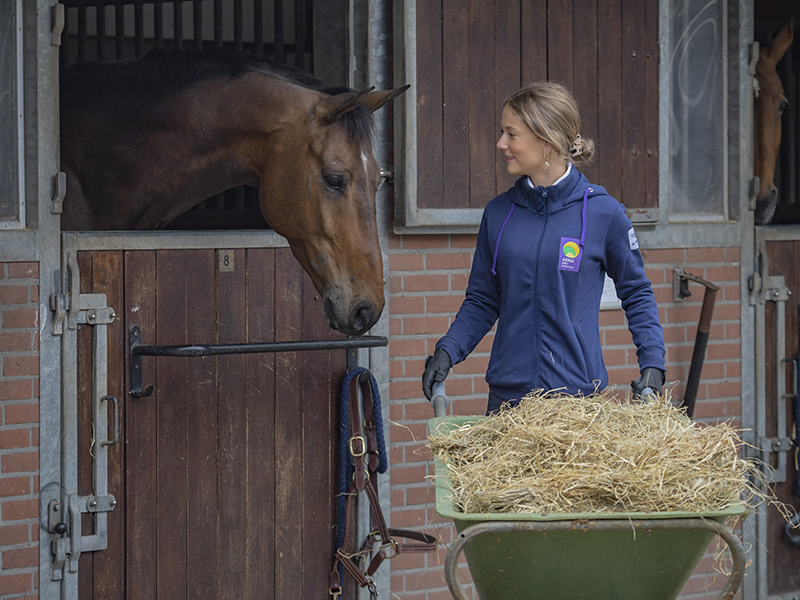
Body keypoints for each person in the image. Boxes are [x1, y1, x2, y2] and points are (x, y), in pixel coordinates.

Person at [421, 82, 666, 414]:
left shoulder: (603, 214)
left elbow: (636, 292)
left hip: (576, 403)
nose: (501, 143)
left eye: (512, 134)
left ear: (546, 141)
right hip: (507, 402)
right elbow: (483, 299)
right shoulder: (499, 213)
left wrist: (652, 362)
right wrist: (448, 351)